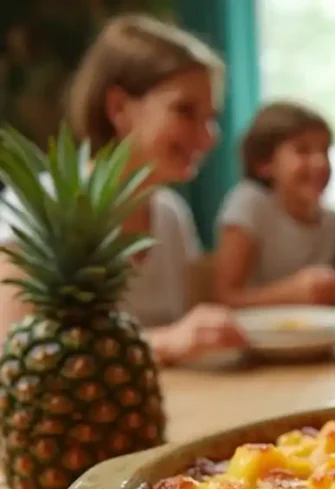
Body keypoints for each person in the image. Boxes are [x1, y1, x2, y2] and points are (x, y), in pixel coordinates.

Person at [0, 14, 246, 366]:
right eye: (185, 111)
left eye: (210, 117)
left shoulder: (172, 214)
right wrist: (166, 342)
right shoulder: (38, 208)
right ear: (118, 108)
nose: (210, 137)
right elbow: (13, 354)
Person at [212, 101, 335, 308]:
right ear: (264, 164)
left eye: (325, 150)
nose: (320, 163)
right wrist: (290, 293)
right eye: (303, 150)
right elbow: (224, 298)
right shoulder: (249, 205)